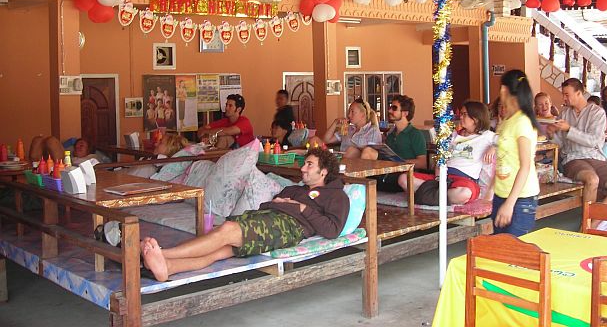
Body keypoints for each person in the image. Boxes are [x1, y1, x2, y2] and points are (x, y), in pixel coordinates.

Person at [140, 148, 349, 282]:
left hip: (288, 226)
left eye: (309, 165)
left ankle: (164, 253)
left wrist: (301, 209)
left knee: (227, 230)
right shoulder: (298, 189)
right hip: (267, 217)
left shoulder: (336, 196)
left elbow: (332, 230)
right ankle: (168, 268)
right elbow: (275, 200)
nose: (302, 168)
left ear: (323, 173)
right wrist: (284, 201)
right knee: (220, 250)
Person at [547, 78, 607, 211]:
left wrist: (569, 129)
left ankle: (593, 223)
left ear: (579, 93)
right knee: (592, 179)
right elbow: (561, 144)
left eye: (567, 94)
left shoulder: (597, 112)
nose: (564, 98)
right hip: (573, 158)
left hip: (595, 157)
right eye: (563, 94)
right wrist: (551, 134)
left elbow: (594, 141)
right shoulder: (564, 113)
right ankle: (587, 224)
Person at [398, 101, 496, 205]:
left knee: (464, 193)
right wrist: (438, 178)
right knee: (404, 179)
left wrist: (493, 147)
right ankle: (438, 197)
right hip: (442, 178)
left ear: (476, 118)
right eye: (460, 114)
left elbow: (507, 140)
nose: (460, 117)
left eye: (464, 114)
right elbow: (440, 158)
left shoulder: (486, 136)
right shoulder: (453, 135)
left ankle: (429, 196)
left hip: (464, 180)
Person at [492, 70, 540, 236]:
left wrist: (510, 204)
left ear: (504, 90)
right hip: (502, 193)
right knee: (500, 249)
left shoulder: (522, 122)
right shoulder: (507, 120)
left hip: (520, 199)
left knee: (514, 252)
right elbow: (502, 158)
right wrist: (491, 190)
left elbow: (525, 166)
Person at [361, 94, 427, 192]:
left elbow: (422, 163)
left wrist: (399, 162)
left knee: (368, 152)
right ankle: (359, 188)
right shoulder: (391, 134)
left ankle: (360, 188)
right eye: (391, 107)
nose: (390, 111)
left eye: (394, 108)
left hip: (402, 175)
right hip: (387, 172)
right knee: (367, 151)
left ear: (405, 113)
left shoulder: (415, 134)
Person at [29, 136, 98, 164]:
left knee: (51, 141)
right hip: (61, 165)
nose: (78, 147)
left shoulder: (92, 158)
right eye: (76, 145)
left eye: (82, 145)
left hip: (67, 168)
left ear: (89, 150)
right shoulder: (70, 155)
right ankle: (36, 168)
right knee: (37, 139)